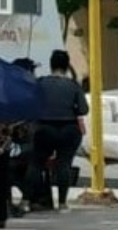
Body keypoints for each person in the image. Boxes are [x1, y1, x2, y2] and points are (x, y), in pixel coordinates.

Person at [31, 50, 89, 212]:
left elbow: (31, 104)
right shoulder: (73, 85)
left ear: (50, 65)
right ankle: (62, 203)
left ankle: (28, 199)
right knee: (63, 164)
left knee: (36, 164)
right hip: (68, 129)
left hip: (43, 128)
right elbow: (84, 109)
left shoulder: (40, 83)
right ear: (66, 65)